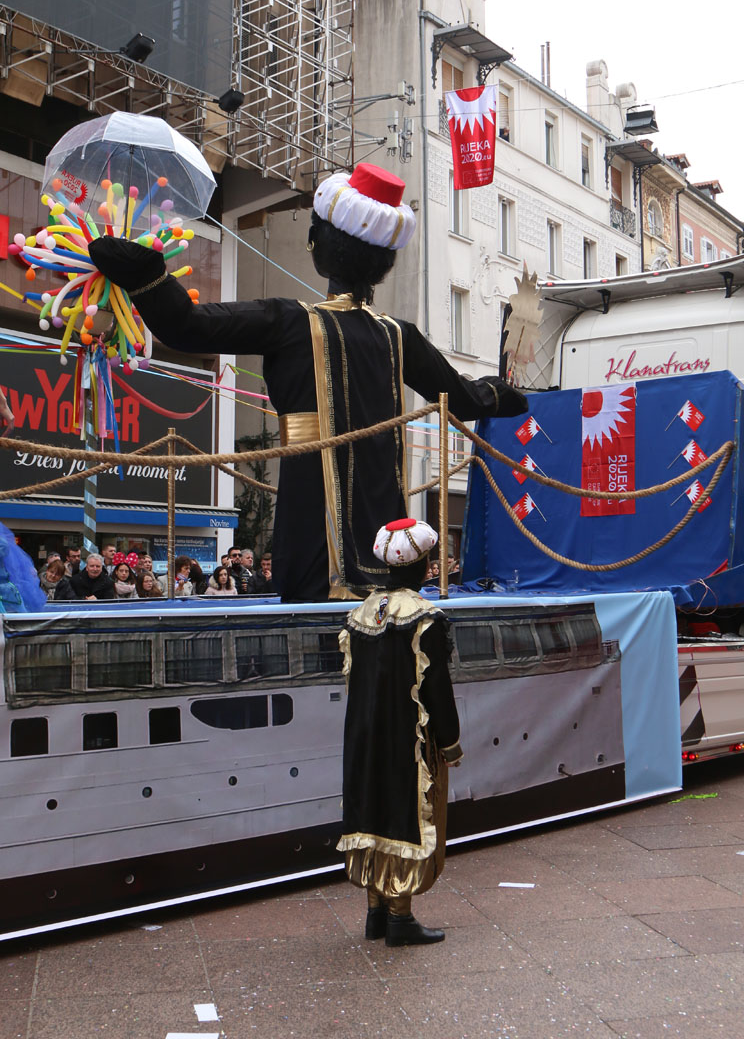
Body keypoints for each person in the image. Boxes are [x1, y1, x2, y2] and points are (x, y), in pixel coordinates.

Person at [90, 163, 527, 603]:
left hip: (310, 507)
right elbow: (465, 398)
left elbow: (187, 327)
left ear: (320, 245)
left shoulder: (290, 321)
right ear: (383, 263)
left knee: (310, 600)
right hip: (383, 510)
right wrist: (512, 395)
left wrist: (145, 275)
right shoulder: (399, 335)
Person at [337, 517, 461, 947]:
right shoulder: (426, 617)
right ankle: (400, 917)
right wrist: (450, 741)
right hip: (408, 737)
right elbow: (437, 687)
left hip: (363, 735)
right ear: (422, 565)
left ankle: (376, 911)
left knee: (371, 810)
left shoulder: (360, 613)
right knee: (404, 815)